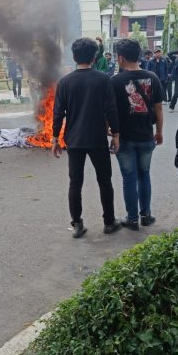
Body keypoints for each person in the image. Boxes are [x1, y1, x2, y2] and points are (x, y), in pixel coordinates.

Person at [52, 37, 122, 238]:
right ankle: (109, 222)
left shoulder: (65, 82)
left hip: (74, 140)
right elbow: (111, 110)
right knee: (104, 181)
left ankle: (77, 224)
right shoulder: (103, 80)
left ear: (74, 57)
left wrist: (55, 138)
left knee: (75, 182)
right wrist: (115, 135)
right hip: (97, 139)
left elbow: (58, 113)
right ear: (95, 56)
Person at [110, 39, 164, 229]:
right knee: (144, 175)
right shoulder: (153, 77)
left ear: (121, 57)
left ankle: (132, 219)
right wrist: (159, 132)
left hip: (124, 138)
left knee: (129, 178)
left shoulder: (115, 81)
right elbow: (159, 108)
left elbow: (110, 110)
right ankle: (146, 215)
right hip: (146, 136)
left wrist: (111, 132)